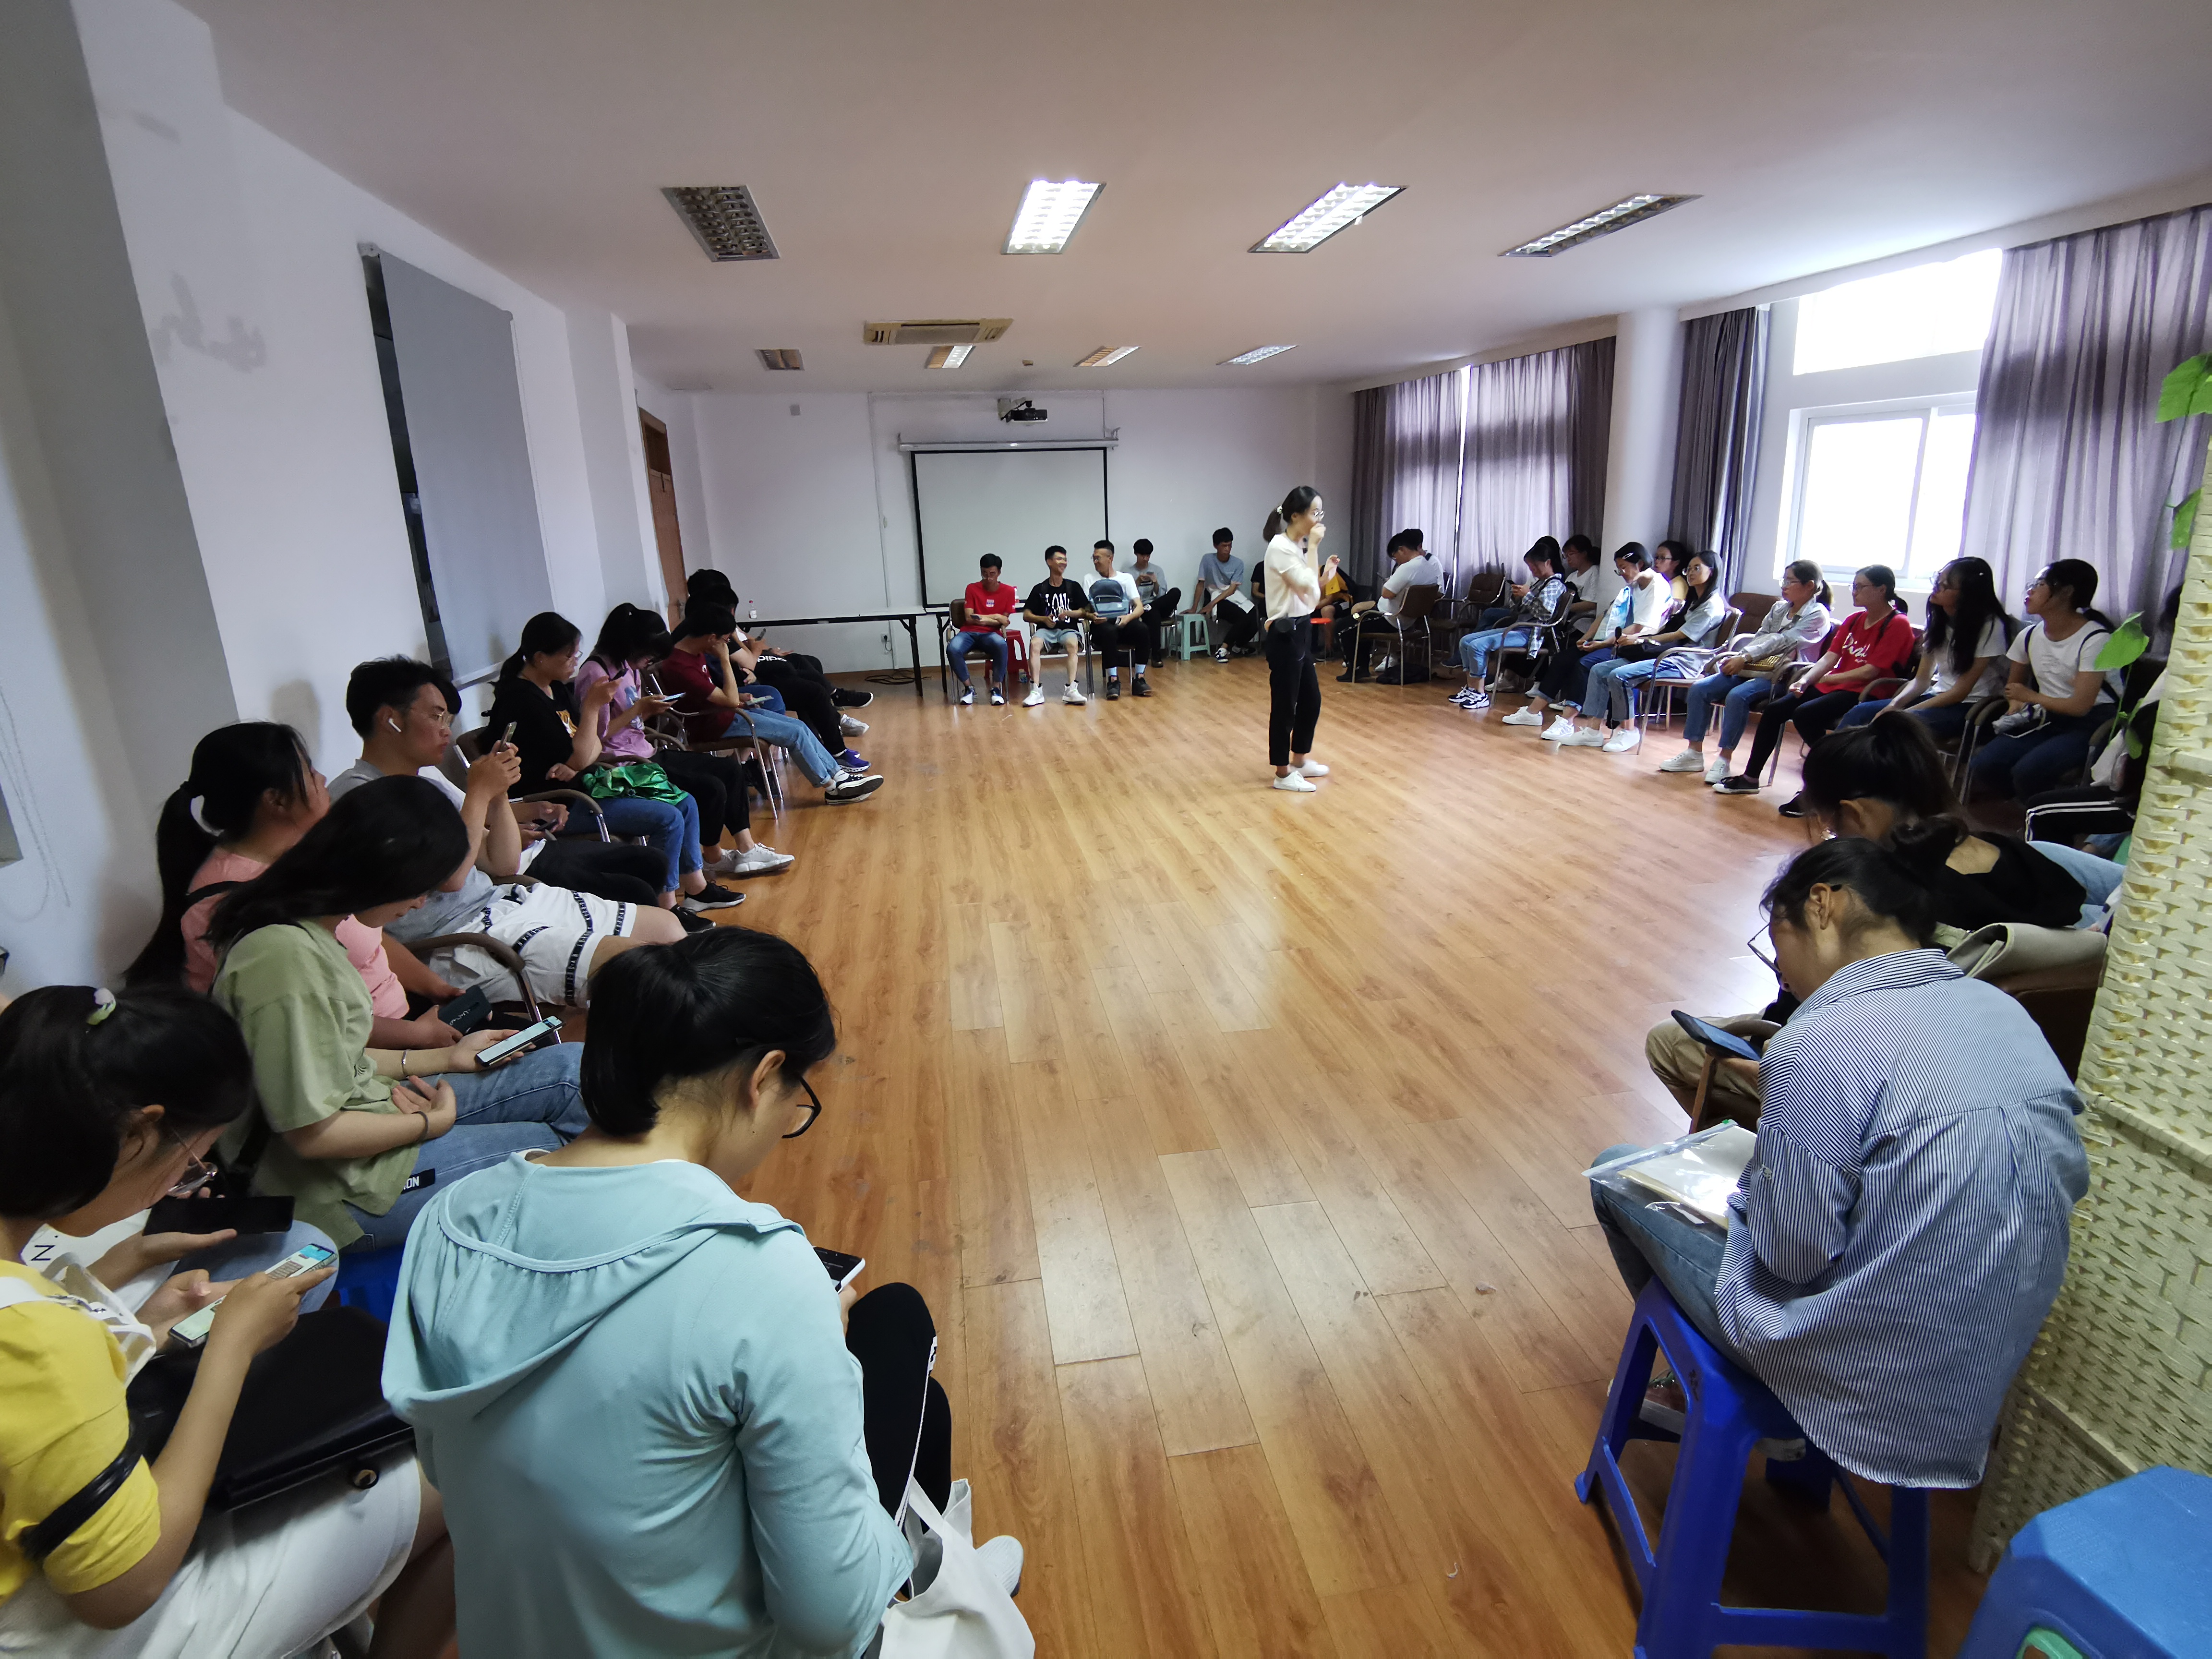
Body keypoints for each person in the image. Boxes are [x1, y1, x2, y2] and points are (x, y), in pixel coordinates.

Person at [384, 927, 1021, 1659]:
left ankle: (945, 1573)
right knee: (896, 1326)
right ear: (764, 1077)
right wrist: (821, 1362)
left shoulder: (452, 1221)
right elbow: (830, 1622)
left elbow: (451, 1469)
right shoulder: (761, 1275)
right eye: (798, 1099)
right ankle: (938, 1585)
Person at [1596, 838, 2088, 1490]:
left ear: (1823, 905)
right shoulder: (2004, 1011)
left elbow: (1792, 1257)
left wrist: (1750, 1192)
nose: (1781, 971)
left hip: (1862, 1378)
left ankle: (1744, 1404)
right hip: (1974, 1379)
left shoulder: (1818, 1042)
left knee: (1617, 1171)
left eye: (1777, 940)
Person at [0, 986, 456, 1658]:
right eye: (189, 1162)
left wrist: (134, 1313)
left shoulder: (36, 1317)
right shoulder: (40, 1343)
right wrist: (232, 1350)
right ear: (136, 1136)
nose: (183, 1182)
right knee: (454, 1463)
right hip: (66, 1622)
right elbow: (120, 1591)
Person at [1646, 714, 2116, 1124]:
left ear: (1856, 816)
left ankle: (1777, 1155)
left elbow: (1817, 1016)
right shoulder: (2027, 861)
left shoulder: (1877, 897)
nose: (1828, 834)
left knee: (1671, 1043)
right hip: (2008, 1074)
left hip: (1882, 1075)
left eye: (1830, 823)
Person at [207, 778, 589, 1251]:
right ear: (384, 873)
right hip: (336, 1187)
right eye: (422, 888)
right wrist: (429, 1125)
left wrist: (445, 1059)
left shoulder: (306, 928)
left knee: (572, 1069)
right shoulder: (283, 960)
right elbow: (313, 1136)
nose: (420, 903)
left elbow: (337, 1056)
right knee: (562, 1149)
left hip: (371, 1110)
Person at [331, 659, 687, 999]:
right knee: (638, 968)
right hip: (462, 938)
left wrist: (499, 794)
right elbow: (451, 879)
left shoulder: (426, 782)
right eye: (436, 716)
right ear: (391, 720)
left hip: (505, 903)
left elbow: (502, 864)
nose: (446, 729)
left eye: (447, 718)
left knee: (667, 930)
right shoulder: (358, 796)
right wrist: (479, 793)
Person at [127, 722, 457, 1050]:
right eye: (309, 772)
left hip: (403, 1019)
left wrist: (435, 988)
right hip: (355, 1052)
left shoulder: (306, 856)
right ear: (277, 801)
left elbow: (370, 940)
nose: (323, 779)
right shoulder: (227, 903)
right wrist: (418, 1037)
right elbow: (310, 1018)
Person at [489, 613, 742, 914]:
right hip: (560, 803)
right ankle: (666, 907)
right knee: (668, 817)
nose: (575, 662)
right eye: (569, 655)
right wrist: (591, 712)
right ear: (541, 657)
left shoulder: (556, 689)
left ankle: (697, 889)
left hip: (589, 783)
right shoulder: (521, 701)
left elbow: (591, 749)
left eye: (576, 654)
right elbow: (584, 752)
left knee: (685, 802)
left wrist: (579, 759)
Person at [578, 603, 792, 880]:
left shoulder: (627, 667)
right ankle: (713, 857)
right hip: (624, 764)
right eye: (648, 656)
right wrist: (639, 709)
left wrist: (648, 710)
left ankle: (747, 848)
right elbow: (598, 736)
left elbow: (632, 722)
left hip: (645, 749)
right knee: (710, 788)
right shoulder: (595, 674)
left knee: (730, 770)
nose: (649, 663)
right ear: (632, 646)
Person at [1718, 564, 1914, 808]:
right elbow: (1830, 658)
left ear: (1881, 589)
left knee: (1805, 715)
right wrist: (1805, 680)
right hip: (1836, 685)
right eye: (1853, 586)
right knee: (1775, 711)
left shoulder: (1898, 624)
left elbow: (1871, 671)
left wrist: (1829, 679)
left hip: (1867, 692)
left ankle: (1820, 785)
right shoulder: (1854, 620)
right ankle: (1750, 778)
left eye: (1860, 587)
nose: (1854, 592)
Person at [658, 604, 887, 804]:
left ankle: (840, 777)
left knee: (799, 727)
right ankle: (833, 789)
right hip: (713, 723)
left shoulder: (694, 652)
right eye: (726, 640)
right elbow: (727, 700)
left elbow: (715, 694)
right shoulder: (681, 666)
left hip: (726, 713)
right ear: (712, 638)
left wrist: (738, 697)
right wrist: (725, 660)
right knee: (794, 733)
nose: (726, 645)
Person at [1656, 561, 1834, 782]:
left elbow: (1785, 642)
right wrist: (1740, 657)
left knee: (1737, 696)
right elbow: (1761, 637)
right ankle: (1693, 753)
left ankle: (1724, 759)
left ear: (1809, 586)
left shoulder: (1818, 615)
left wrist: (1746, 656)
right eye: (1784, 580)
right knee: (1700, 689)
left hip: (1784, 675)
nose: (1784, 586)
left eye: (1790, 581)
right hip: (1754, 666)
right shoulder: (1780, 608)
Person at [1968, 559, 2117, 802]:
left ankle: (2042, 815)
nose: (2030, 591)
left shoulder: (2095, 639)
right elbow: (2014, 688)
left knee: (2029, 772)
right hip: (2047, 717)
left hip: (2090, 724)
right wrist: (2015, 704)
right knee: (1986, 764)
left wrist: (2029, 697)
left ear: (2066, 592)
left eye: (2040, 584)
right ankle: (2028, 808)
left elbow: (2080, 707)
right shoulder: (2029, 635)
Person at [1563, 550, 1730, 751]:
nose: (1692, 573)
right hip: (1666, 654)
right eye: (1689, 569)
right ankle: (1592, 731)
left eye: (1697, 568)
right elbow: (1667, 629)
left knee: (1619, 675)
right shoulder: (1694, 601)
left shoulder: (1712, 606)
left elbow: (1678, 635)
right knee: (1599, 670)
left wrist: (1640, 639)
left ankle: (1629, 731)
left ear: (1712, 572)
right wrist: (1639, 639)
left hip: (1683, 662)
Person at [1836, 556, 2010, 741]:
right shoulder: (1938, 621)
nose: (1937, 588)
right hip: (1937, 696)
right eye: (1938, 580)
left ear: (1968, 593)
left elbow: (1960, 692)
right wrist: (1894, 705)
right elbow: (1921, 680)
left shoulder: (1990, 626)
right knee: (1860, 713)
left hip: (1969, 706)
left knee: (1897, 727)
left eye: (1945, 585)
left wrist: (1904, 713)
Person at [1506, 541, 1659, 730]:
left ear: (1640, 564)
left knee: (1584, 664)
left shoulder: (1657, 587)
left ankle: (1567, 721)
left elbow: (1639, 628)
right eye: (1618, 569)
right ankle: (1533, 713)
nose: (1621, 573)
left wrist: (1603, 643)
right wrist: (1587, 637)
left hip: (1631, 645)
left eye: (1623, 568)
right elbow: (1606, 614)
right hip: (1610, 640)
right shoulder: (1633, 586)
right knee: (1563, 658)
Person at [1264, 487, 1334, 791]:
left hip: (1301, 627)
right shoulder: (1280, 547)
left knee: (1310, 699)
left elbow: (1310, 593)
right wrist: (1315, 548)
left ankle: (1300, 761)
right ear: (1295, 516)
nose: (1319, 519)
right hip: (1285, 634)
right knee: (1285, 705)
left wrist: (1323, 577)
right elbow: (1310, 588)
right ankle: (1282, 773)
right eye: (1315, 513)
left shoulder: (1295, 546)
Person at [1451, 539, 1571, 709]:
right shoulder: (1540, 583)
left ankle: (1480, 694)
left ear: (1548, 563)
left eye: (1535, 566)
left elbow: (1545, 615)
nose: (1533, 570)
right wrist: (1517, 598)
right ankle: (1471, 689)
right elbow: (1519, 611)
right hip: (1519, 628)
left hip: (1531, 634)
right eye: (1530, 567)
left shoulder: (1555, 585)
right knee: (1466, 641)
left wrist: (1528, 595)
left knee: (1477, 646)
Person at [1339, 529, 1441, 682]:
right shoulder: (1429, 567)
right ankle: (1361, 668)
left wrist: (1391, 583)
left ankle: (1355, 669)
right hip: (1407, 620)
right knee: (1357, 620)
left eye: (1395, 556)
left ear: (1402, 550)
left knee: (1343, 627)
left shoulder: (1408, 568)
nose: (1396, 560)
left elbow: (1386, 593)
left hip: (1388, 617)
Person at [1022, 545, 1093, 705]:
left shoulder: (1073, 587)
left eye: (1065, 560)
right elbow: (1027, 615)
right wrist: (1043, 619)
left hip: (1068, 630)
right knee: (1034, 644)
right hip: (1046, 630)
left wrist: (1069, 613)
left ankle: (1072, 689)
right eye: (1059, 559)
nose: (1064, 563)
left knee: (1072, 644)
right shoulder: (1040, 589)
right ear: (1049, 562)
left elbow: (1085, 611)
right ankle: (1036, 690)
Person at [1086, 541, 1153, 699]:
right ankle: (1113, 681)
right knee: (1109, 632)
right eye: (1094, 558)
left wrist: (1128, 618)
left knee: (1143, 629)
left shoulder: (1126, 579)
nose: (1095, 562)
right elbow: (1086, 608)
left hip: (1123, 622)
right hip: (1101, 625)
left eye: (1098, 558)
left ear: (1110, 558)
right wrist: (1092, 617)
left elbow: (1139, 607)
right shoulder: (1089, 579)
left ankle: (1139, 678)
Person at [949, 553, 1016, 706]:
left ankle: (996, 689)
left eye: (992, 574)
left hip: (991, 634)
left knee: (1002, 645)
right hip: (968, 632)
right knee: (953, 648)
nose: (988, 578)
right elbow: (969, 618)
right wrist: (996, 616)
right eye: (984, 574)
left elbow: (1005, 621)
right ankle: (969, 688)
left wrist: (983, 618)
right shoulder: (972, 588)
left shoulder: (1008, 591)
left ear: (999, 572)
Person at [1190, 528, 1257, 661]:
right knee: (1242, 618)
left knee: (1253, 616)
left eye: (1230, 545)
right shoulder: (1207, 559)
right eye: (1224, 546)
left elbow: (1232, 590)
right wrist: (1195, 608)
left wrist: (1211, 605)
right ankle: (1223, 650)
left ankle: (1238, 646)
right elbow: (1201, 584)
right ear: (1216, 546)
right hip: (1213, 595)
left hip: (1229, 595)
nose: (1227, 549)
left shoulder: (1238, 563)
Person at [1127, 538, 1180, 625]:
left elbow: (1162, 597)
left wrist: (1155, 583)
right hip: (1140, 610)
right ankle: (1147, 609)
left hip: (1158, 606)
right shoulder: (1129, 573)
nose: (1146, 559)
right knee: (1154, 614)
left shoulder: (1157, 570)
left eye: (1148, 556)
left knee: (1176, 592)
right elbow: (1127, 598)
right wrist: (1137, 582)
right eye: (1143, 556)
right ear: (1136, 554)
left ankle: (1149, 608)